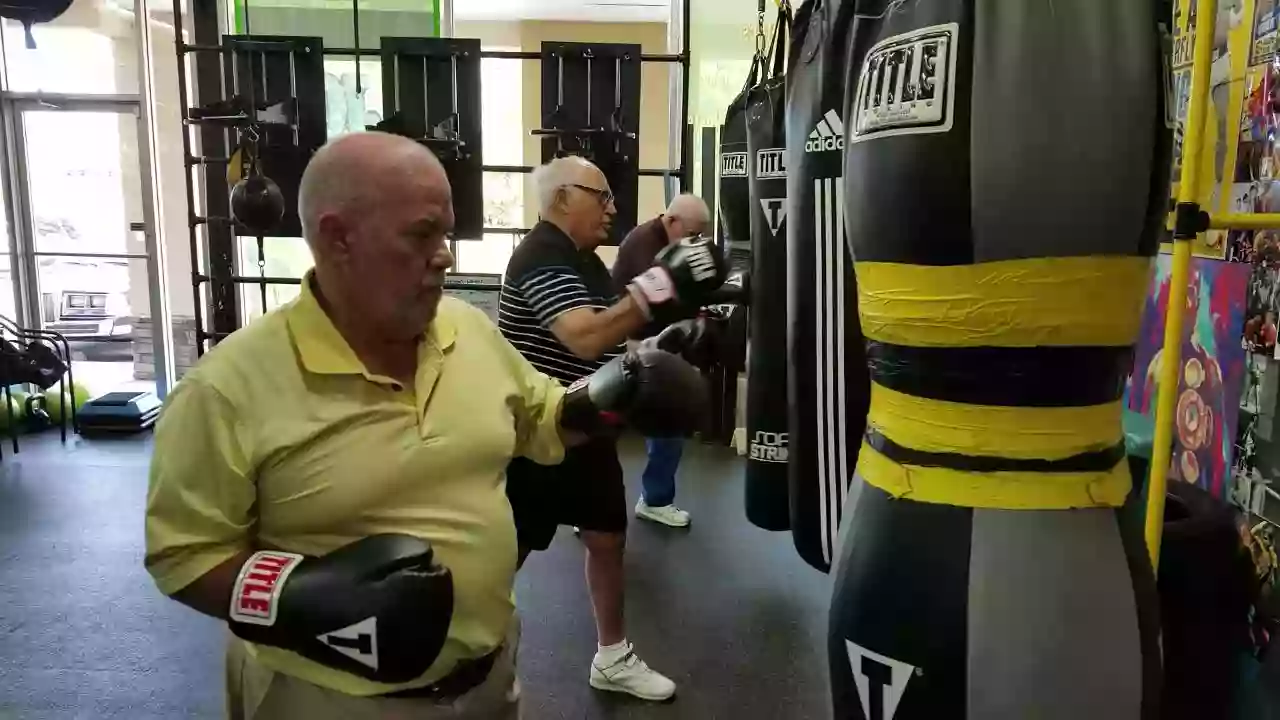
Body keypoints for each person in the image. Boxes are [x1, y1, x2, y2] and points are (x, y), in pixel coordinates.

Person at [143, 132, 710, 720]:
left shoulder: (467, 330)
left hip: (489, 682)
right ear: (338, 238)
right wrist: (300, 598)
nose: (444, 255)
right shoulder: (227, 389)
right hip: (328, 702)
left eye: (446, 233)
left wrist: (620, 389)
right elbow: (185, 556)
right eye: (421, 235)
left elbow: (542, 415)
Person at [499, 156, 726, 701]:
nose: (613, 207)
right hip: (533, 434)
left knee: (607, 538)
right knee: (505, 553)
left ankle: (612, 657)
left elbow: (613, 341)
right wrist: (657, 289)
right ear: (561, 200)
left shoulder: (586, 261)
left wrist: (660, 343)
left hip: (586, 422)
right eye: (600, 196)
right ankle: (466, 651)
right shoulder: (540, 257)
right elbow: (583, 338)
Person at [611, 194, 712, 528]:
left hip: (660, 342)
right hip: (628, 343)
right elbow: (650, 301)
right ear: (672, 222)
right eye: (693, 233)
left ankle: (655, 500)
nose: (696, 242)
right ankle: (590, 509)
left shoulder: (680, 246)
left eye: (701, 235)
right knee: (606, 426)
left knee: (671, 418)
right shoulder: (642, 246)